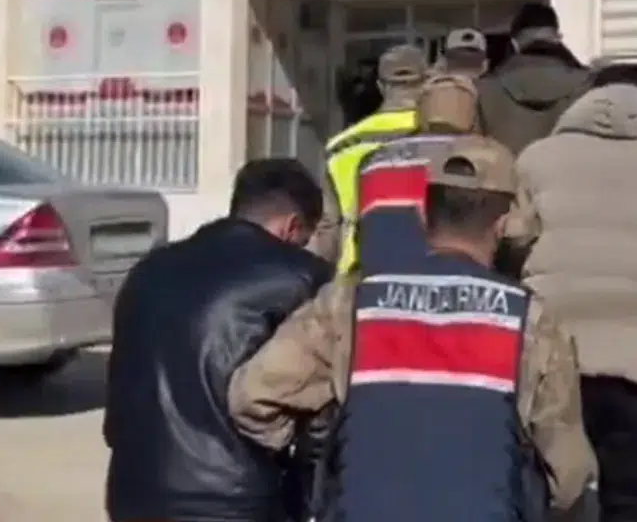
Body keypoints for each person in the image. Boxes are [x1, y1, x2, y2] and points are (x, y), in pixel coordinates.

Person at [228, 136, 596, 522]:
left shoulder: (350, 302)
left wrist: (322, 449)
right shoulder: (530, 320)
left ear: (422, 216)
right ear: (503, 226)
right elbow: (568, 477)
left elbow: (252, 397)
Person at [506, 75, 637, 522]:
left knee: (551, 486)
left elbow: (515, 243)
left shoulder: (536, 159)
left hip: (555, 346)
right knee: (630, 492)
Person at [104, 158, 332, 522]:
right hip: (236, 503)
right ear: (292, 226)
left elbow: (118, 406)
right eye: (305, 240)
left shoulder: (147, 272)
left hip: (134, 496)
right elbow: (319, 422)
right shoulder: (304, 277)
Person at [311, 44, 427, 271]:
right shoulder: (440, 137)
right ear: (425, 83)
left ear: (381, 87)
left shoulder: (340, 146)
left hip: (358, 271)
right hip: (423, 272)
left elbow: (329, 227)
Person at [352, 72, 481, 273]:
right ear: (472, 114)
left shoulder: (373, 161)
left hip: (379, 282)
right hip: (457, 281)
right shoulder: (483, 160)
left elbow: (361, 232)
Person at [476, 2, 589, 156]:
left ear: (515, 43)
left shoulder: (485, 89)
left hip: (506, 170)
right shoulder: (589, 85)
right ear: (557, 37)